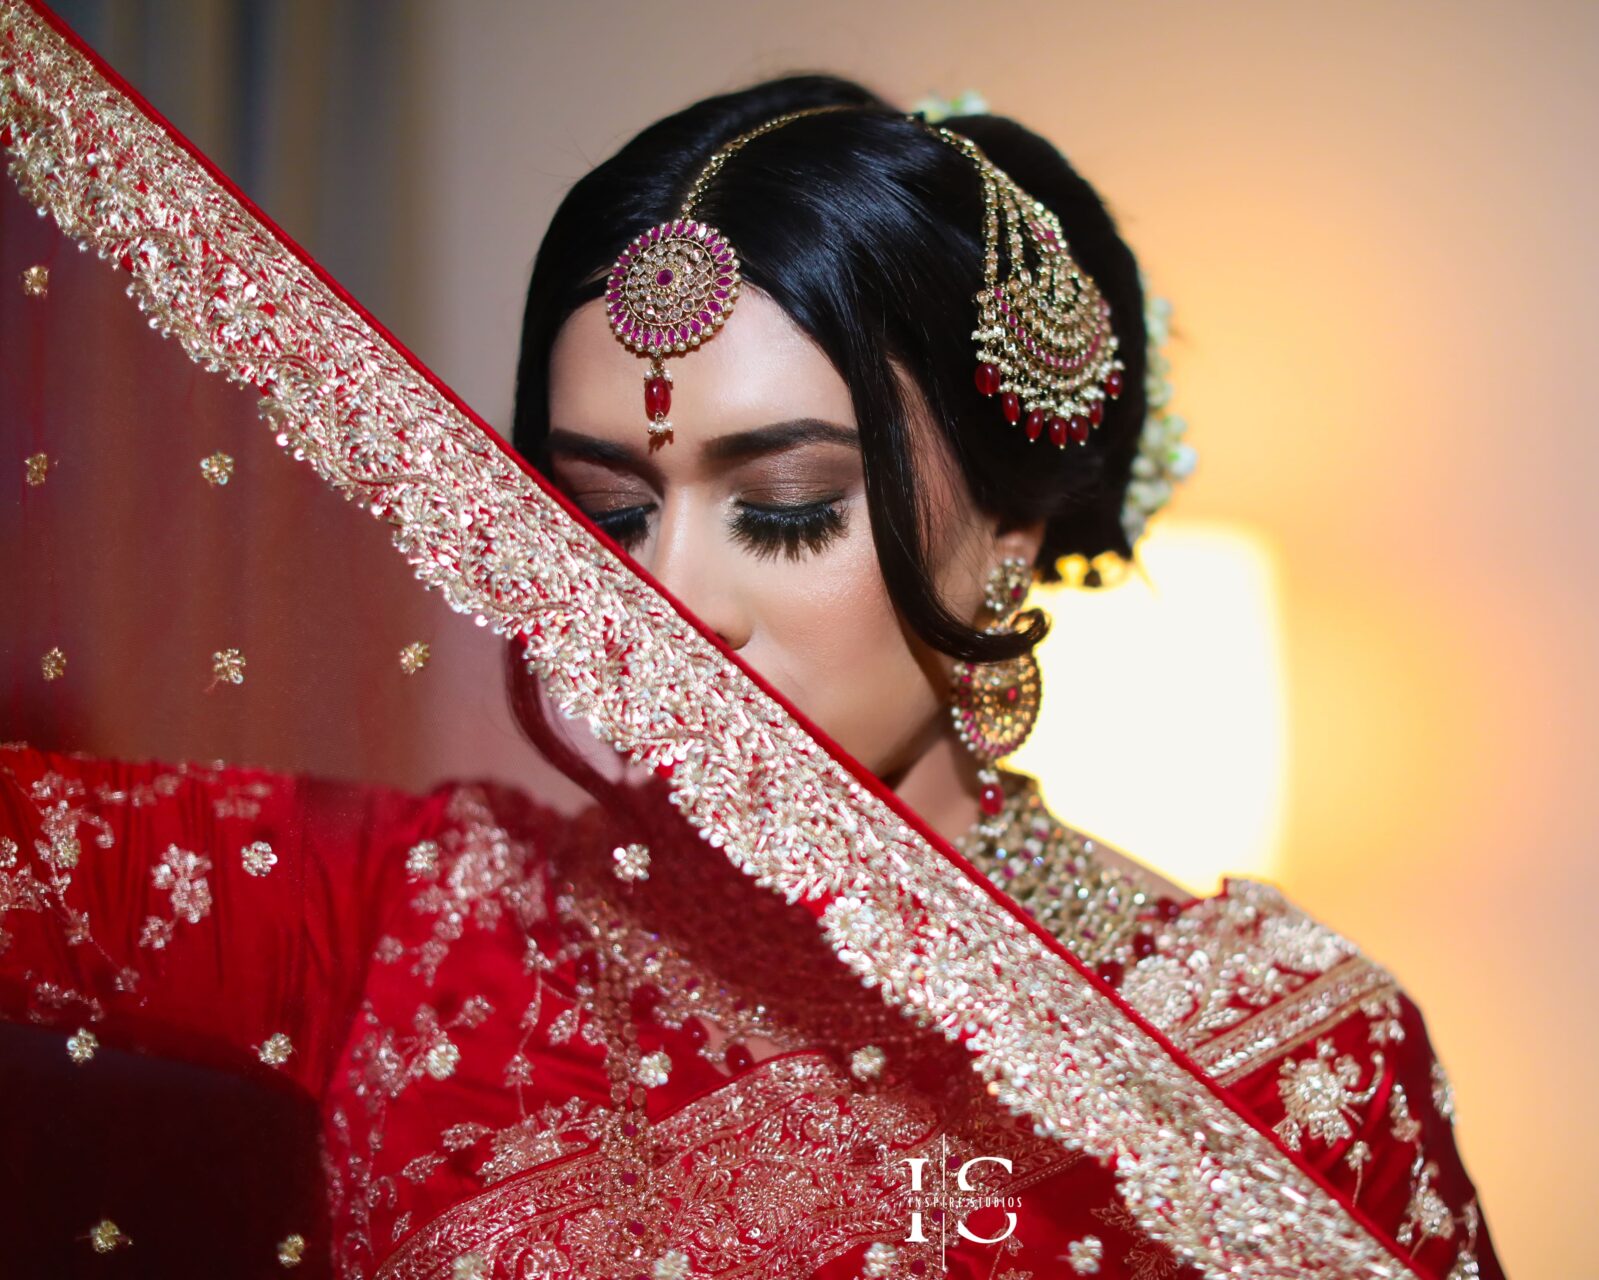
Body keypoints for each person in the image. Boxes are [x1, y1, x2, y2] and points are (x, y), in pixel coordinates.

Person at [0, 3, 1502, 1277]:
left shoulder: (1289, 1059)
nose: (672, 606)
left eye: (784, 509)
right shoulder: (416, 915)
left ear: (1010, 535)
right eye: (603, 518)